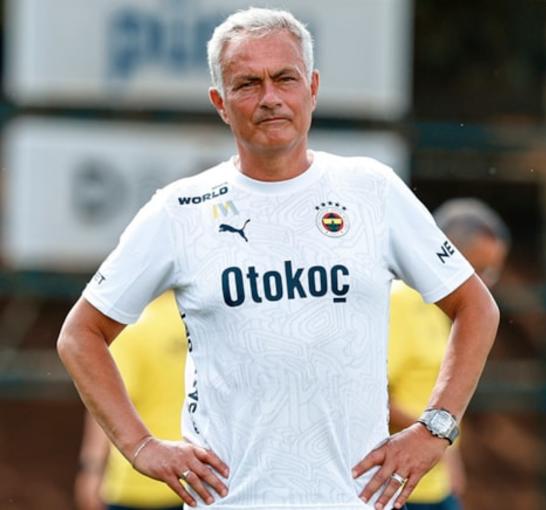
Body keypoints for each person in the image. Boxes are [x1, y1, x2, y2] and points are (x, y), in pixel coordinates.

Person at [56, 7, 499, 510]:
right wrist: (140, 446)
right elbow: (80, 335)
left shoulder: (371, 190)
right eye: (247, 84)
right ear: (220, 104)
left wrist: (435, 429)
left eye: (285, 78)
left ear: (312, 88)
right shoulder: (179, 210)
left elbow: (476, 307)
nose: (270, 97)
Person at [387, 199, 510, 510]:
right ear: (446, 255)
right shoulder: (402, 303)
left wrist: (447, 452)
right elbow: (368, 397)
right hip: (394, 487)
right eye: (479, 270)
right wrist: (435, 434)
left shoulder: (455, 313)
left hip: (435, 486)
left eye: (493, 272)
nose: (486, 283)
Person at [75, 291, 186, 510]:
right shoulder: (201, 324)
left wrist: (91, 469)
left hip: (136, 480)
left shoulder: (130, 328)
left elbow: (105, 400)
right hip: (196, 477)